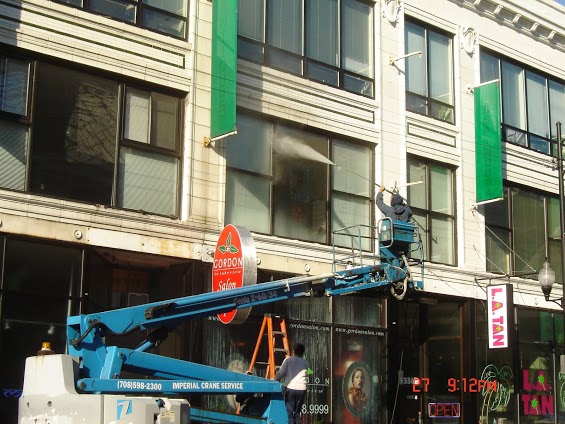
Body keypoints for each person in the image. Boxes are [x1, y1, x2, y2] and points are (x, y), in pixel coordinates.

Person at [274, 343, 309, 424]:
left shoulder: (288, 360)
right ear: (303, 352)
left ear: (293, 351)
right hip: (302, 389)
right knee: (297, 413)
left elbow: (281, 373)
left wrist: (275, 379)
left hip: (290, 388)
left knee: (289, 412)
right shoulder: (306, 363)